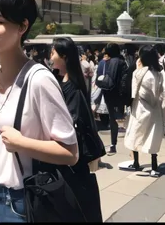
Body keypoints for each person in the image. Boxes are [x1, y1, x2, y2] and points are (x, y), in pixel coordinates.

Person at [0, 0, 78, 223]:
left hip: (19, 202)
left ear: (22, 27)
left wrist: (21, 143)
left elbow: (70, 153)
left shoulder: (39, 80)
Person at [50, 37, 104, 222]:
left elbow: (72, 124)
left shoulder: (73, 88)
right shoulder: (59, 80)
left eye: (53, 52)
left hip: (71, 160)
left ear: (64, 56)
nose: (50, 55)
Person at [123, 45, 165, 177]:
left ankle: (136, 162)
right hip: (155, 108)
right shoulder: (160, 73)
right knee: (152, 137)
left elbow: (133, 90)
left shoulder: (139, 72)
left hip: (140, 107)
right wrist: (162, 105)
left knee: (136, 132)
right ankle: (154, 165)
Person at [93, 43, 128, 155]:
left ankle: (113, 144)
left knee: (113, 118)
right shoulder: (121, 62)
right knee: (117, 118)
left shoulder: (105, 62)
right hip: (118, 93)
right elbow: (123, 80)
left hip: (108, 92)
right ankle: (114, 142)